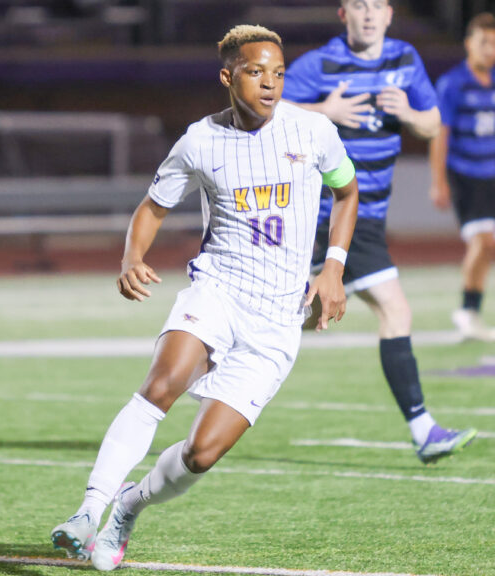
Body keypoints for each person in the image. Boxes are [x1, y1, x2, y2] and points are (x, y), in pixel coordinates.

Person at [51, 25, 359, 571]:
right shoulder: (200, 141)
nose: (270, 84)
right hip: (218, 289)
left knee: (201, 453)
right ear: (228, 76)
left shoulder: (313, 132)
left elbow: (347, 190)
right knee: (161, 385)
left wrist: (332, 267)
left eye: (278, 73)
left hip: (278, 319)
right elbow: (152, 207)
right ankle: (88, 510)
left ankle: (128, 506)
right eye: (255, 71)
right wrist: (131, 258)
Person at [282, 0, 477, 463]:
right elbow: (268, 109)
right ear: (342, 14)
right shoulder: (320, 64)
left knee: (308, 314)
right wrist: (321, 109)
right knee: (395, 310)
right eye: (358, 6)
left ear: (389, 14)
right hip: (333, 212)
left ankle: (222, 358)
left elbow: (432, 125)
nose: (368, 14)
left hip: (366, 214)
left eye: (376, 6)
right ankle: (423, 430)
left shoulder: (404, 59)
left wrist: (408, 112)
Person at [429, 12, 495, 341]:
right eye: (484, 43)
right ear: (469, 44)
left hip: (493, 173)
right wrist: (438, 180)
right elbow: (440, 134)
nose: (490, 50)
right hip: (467, 176)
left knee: (487, 247)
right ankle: (468, 311)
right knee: (484, 242)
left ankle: (469, 310)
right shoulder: (453, 83)